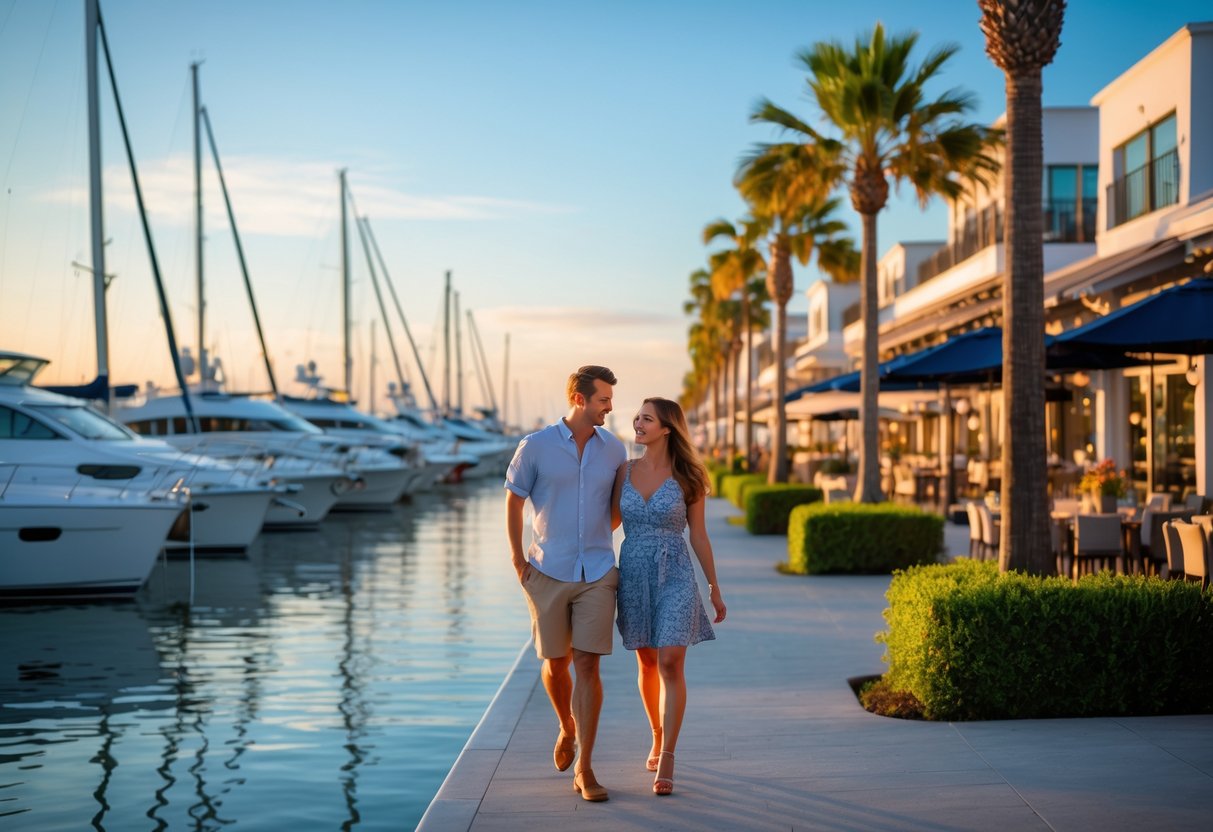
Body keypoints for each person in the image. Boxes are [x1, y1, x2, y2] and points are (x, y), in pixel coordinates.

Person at [504, 365, 627, 802]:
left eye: (610, 399)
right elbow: (514, 501)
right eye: (603, 400)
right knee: (556, 664)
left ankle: (586, 769)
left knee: (588, 665)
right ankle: (566, 725)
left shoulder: (614, 450)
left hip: (597, 572)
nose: (610, 407)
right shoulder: (535, 446)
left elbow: (616, 509)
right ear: (579, 398)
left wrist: (596, 539)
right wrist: (520, 561)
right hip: (547, 570)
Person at [613, 396, 726, 796]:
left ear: (666, 428)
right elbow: (606, 522)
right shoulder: (623, 471)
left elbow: (699, 535)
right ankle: (657, 734)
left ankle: (668, 757)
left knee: (671, 662)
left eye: (647, 418)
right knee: (646, 661)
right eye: (638, 417)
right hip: (634, 573)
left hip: (675, 571)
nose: (638, 423)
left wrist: (713, 587)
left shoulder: (690, 476)